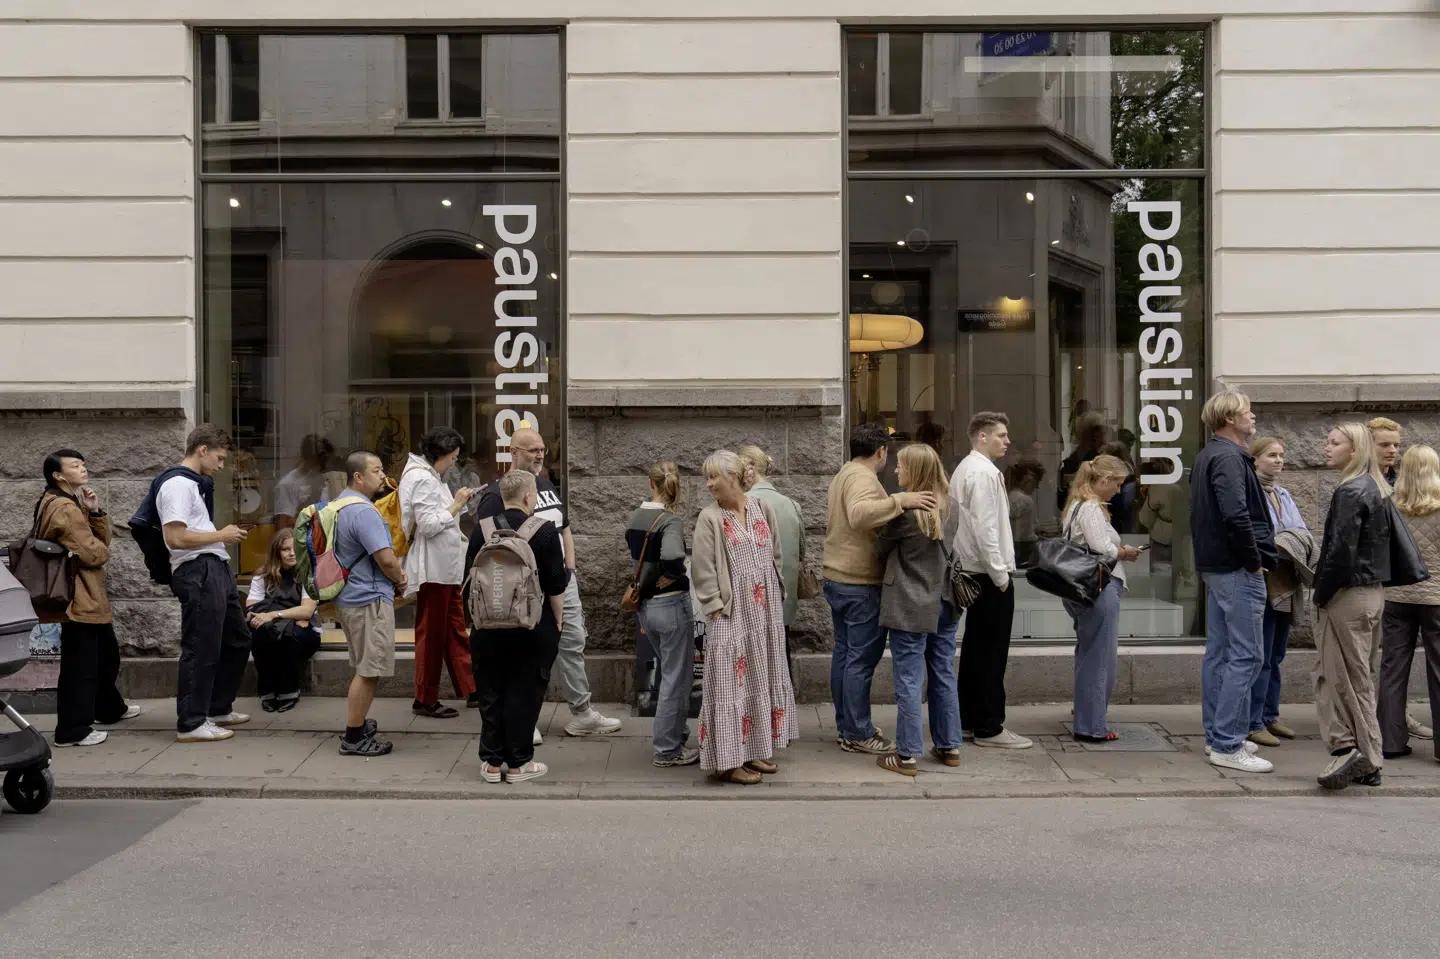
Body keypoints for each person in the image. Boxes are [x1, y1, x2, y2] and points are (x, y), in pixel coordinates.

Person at [474, 426, 621, 738]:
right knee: (526, 655)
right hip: (523, 590)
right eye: (532, 450)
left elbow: (563, 527)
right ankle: (524, 722)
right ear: (513, 453)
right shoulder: (495, 496)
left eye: (542, 449)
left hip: (560, 583)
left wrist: (570, 570)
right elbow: (492, 547)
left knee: (572, 644)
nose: (540, 455)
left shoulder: (545, 485)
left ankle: (582, 713)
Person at [822, 424, 937, 754]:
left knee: (845, 656)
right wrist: (899, 500)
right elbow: (859, 515)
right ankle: (857, 732)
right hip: (859, 582)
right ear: (881, 452)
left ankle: (848, 725)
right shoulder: (861, 477)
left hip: (839, 579)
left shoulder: (845, 472)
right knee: (859, 660)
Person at [692, 450, 799, 784]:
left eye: (714, 477)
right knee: (727, 684)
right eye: (707, 477)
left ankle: (752, 750)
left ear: (733, 478)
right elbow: (702, 567)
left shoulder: (761, 508)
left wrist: (775, 589)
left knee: (758, 678)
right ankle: (727, 761)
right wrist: (715, 606)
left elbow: (775, 553)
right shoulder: (709, 517)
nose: (709, 484)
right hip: (730, 613)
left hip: (763, 611)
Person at [1311, 423, 1402, 789]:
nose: (1326, 447)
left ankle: (1364, 755)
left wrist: (1320, 593)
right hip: (1369, 592)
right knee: (1349, 675)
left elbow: (1340, 552)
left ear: (1354, 450)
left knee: (1347, 679)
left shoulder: (1352, 490)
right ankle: (1357, 754)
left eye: (1334, 442)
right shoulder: (1373, 487)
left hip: (1347, 594)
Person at [1191, 391, 1277, 773]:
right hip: (1235, 568)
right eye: (1247, 410)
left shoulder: (1213, 454)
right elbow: (1235, 514)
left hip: (1220, 566)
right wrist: (1254, 561)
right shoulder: (1227, 457)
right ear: (1229, 417)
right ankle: (1226, 742)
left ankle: (1220, 737)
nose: (1253, 416)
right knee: (1246, 655)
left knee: (1222, 653)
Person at [151, 425, 252, 744]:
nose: (221, 466)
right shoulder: (177, 484)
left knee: (237, 640)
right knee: (201, 646)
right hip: (198, 569)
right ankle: (192, 722)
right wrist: (221, 535)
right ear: (202, 450)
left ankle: (216, 707)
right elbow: (175, 537)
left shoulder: (191, 484)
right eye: (219, 458)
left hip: (213, 567)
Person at [466, 469, 567, 783]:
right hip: (531, 626)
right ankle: (520, 763)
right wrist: (558, 621)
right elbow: (555, 584)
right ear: (528, 497)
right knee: (525, 690)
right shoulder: (546, 531)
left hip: (487, 625)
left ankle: (493, 763)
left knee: (490, 689)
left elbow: (467, 579)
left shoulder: (482, 530)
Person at [35, 449, 139, 747]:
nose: (83, 469)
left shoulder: (71, 502)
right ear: (58, 475)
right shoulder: (64, 509)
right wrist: (101, 550)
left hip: (88, 597)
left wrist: (93, 511)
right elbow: (94, 553)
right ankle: (71, 730)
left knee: (105, 656)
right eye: (75, 466)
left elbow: (96, 542)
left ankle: (108, 708)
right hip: (78, 597)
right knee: (80, 667)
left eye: (83, 464)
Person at [874, 443, 963, 775]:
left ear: (916, 471)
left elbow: (879, 549)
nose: (896, 471)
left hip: (910, 603)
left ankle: (907, 754)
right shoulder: (952, 507)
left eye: (901, 466)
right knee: (942, 673)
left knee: (909, 679)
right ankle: (949, 745)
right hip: (944, 602)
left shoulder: (906, 514)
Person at [951, 411, 1029, 748]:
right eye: (1001, 435)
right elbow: (986, 528)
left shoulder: (967, 469)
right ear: (982, 436)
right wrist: (1000, 575)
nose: (1007, 441)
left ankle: (969, 719)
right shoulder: (982, 473)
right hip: (986, 573)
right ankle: (989, 727)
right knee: (990, 653)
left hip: (973, 570)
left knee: (975, 649)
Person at [1060, 455, 1142, 742]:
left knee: (1088, 651)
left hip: (1080, 587)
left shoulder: (1076, 504)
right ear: (1103, 480)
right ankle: (1092, 725)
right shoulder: (1092, 507)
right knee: (1100, 655)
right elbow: (1101, 547)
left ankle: (1086, 712)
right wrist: (1125, 552)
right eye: (1117, 484)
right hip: (1099, 587)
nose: (1118, 491)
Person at [333, 450, 408, 757]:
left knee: (364, 665)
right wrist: (401, 579)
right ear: (358, 477)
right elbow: (386, 559)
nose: (382, 476)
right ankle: (354, 736)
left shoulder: (339, 505)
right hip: (369, 598)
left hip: (349, 596)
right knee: (369, 670)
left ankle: (358, 722)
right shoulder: (364, 512)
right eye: (376, 471)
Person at [399, 426, 477, 719]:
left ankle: (470, 687)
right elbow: (429, 525)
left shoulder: (428, 476)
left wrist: (458, 503)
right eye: (453, 457)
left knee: (453, 629)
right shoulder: (422, 479)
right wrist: (456, 504)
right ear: (441, 454)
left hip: (444, 568)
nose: (455, 462)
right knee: (433, 635)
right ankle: (425, 698)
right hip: (434, 569)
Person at [626, 460, 697, 767]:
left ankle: (674, 733)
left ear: (650, 484)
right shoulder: (671, 521)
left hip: (646, 608)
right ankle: (667, 749)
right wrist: (673, 572)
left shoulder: (635, 517)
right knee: (675, 679)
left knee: (669, 674)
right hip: (670, 605)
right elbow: (671, 556)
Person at [1246, 437, 1310, 748]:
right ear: (1255, 459)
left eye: (1282, 455)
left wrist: (1287, 539)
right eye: (1272, 455)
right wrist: (1284, 540)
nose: (1279, 460)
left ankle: (1270, 715)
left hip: (1286, 580)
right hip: (1265, 579)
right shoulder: (1251, 492)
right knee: (1262, 655)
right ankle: (1254, 720)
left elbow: (1302, 533)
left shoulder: (1283, 493)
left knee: (1277, 653)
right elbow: (1266, 537)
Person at [1379, 444, 1440, 761]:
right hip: (1435, 598)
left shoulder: (1391, 503)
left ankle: (1389, 742)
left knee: (1392, 668)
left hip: (1397, 596)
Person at [245, 528, 321, 713]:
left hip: (306, 632)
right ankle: (268, 691)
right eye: (285, 549)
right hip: (277, 627)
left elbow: (307, 610)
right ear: (276, 552)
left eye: (295, 548)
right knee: (260, 634)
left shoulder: (308, 574)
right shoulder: (262, 576)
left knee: (288, 636)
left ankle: (289, 691)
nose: (292, 553)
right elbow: (251, 612)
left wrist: (273, 613)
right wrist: (292, 615)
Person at [739, 445, 806, 645]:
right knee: (781, 652)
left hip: (753, 598)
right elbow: (801, 551)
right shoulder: (792, 505)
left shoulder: (743, 503)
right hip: (785, 598)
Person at [272, 434, 334, 530]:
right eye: (320, 462)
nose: (324, 467)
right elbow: (283, 527)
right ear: (308, 459)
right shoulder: (287, 485)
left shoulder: (322, 480)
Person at [1006, 462, 1041, 568]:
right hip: (1024, 544)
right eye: (1034, 485)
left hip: (1012, 541)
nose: (1034, 489)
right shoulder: (1025, 500)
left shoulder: (1011, 495)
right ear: (1027, 482)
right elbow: (1026, 531)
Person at [1369, 416, 1403, 488]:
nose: (1393, 450)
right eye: (1385, 445)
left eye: (1396, 445)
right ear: (1368, 445)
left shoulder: (1401, 484)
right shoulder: (1357, 486)